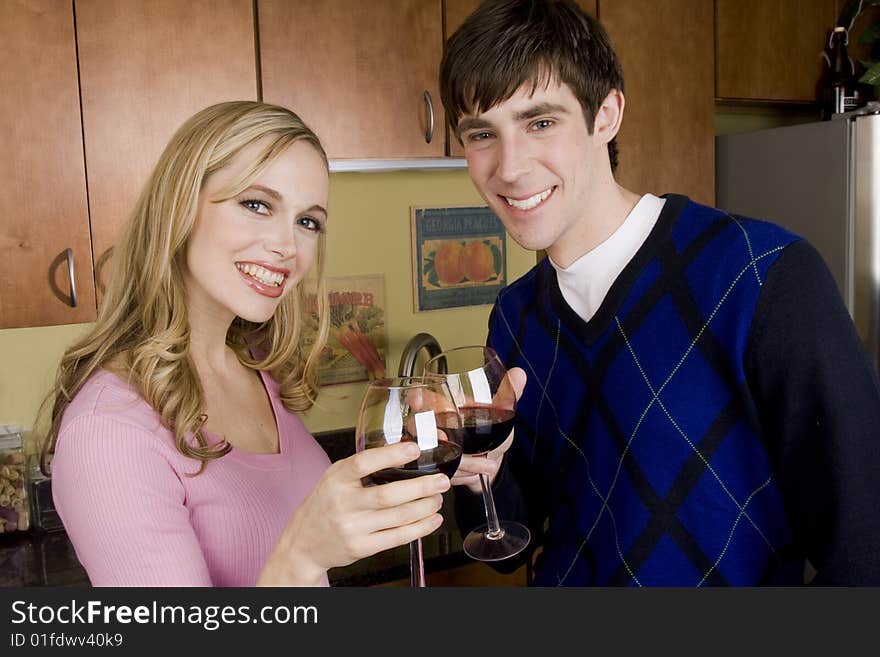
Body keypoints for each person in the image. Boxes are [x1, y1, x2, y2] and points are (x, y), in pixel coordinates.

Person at [440, 0, 880, 585]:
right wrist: (480, 478)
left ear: (606, 116)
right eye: (481, 134)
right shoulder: (516, 316)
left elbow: (865, 548)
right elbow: (514, 536)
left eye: (540, 122)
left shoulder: (761, 276)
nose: (509, 167)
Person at [39, 101, 449, 586]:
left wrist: (417, 468)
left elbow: (277, 507)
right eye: (256, 205)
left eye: (308, 221)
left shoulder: (256, 363)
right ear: (179, 207)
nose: (288, 246)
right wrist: (299, 559)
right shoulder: (107, 431)